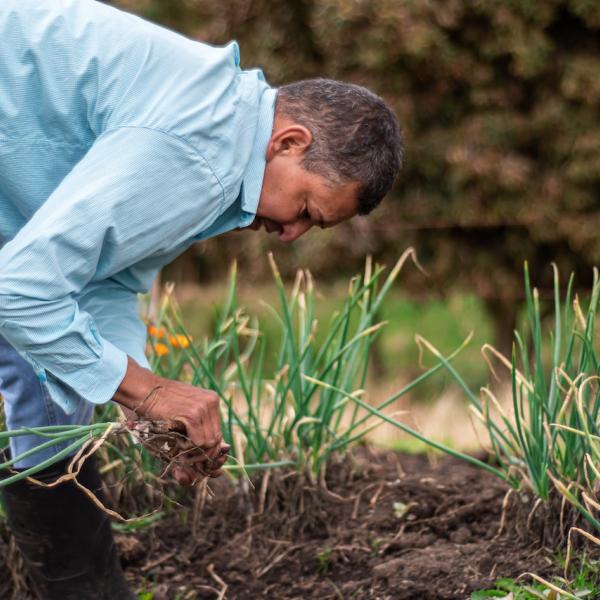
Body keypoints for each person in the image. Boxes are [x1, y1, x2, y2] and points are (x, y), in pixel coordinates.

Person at [0, 0, 402, 598]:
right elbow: (19, 293)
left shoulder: (222, 136)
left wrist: (138, 400)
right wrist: (149, 391)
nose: (291, 233)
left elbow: (101, 281)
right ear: (290, 142)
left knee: (48, 396)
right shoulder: (199, 156)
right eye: (306, 210)